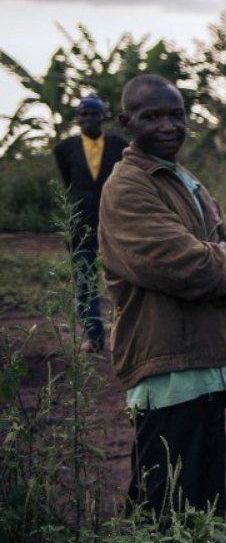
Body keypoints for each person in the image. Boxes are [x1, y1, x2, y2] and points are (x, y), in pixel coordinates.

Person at [98, 75, 226, 517]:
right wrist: (224, 259)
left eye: (177, 115)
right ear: (127, 122)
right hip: (167, 369)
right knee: (164, 511)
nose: (168, 125)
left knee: (203, 511)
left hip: (207, 366)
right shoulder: (127, 186)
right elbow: (177, 263)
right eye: (153, 117)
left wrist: (225, 261)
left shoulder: (184, 180)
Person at [54, 94, 128, 353]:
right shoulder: (65, 149)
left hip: (115, 223)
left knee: (125, 280)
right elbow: (69, 183)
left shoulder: (119, 145)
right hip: (81, 224)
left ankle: (126, 335)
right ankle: (95, 337)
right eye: (83, 114)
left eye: (93, 113)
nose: (88, 118)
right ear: (77, 118)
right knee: (84, 284)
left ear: (102, 117)